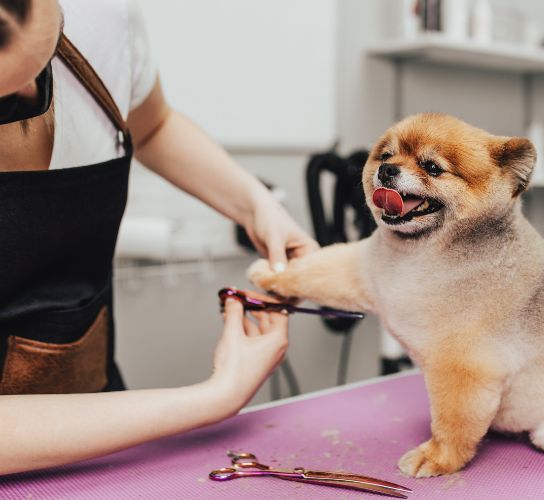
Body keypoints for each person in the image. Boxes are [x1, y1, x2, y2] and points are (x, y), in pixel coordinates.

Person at [0, 0, 317, 475]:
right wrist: (216, 396)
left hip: (97, 422)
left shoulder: (100, 16)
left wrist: (256, 206)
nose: (34, 92)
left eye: (44, 59)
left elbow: (153, 127)